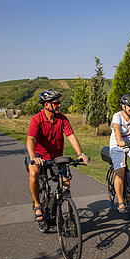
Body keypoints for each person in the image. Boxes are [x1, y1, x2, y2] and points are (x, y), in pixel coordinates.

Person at [26, 89, 90, 221]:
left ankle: (61, 204)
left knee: (65, 182)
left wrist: (80, 154)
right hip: (38, 155)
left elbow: (71, 137)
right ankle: (38, 204)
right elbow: (30, 139)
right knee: (34, 173)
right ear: (46, 105)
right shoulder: (36, 119)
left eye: (59, 102)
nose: (59, 105)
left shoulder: (62, 119)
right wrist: (33, 157)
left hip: (56, 156)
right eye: (56, 103)